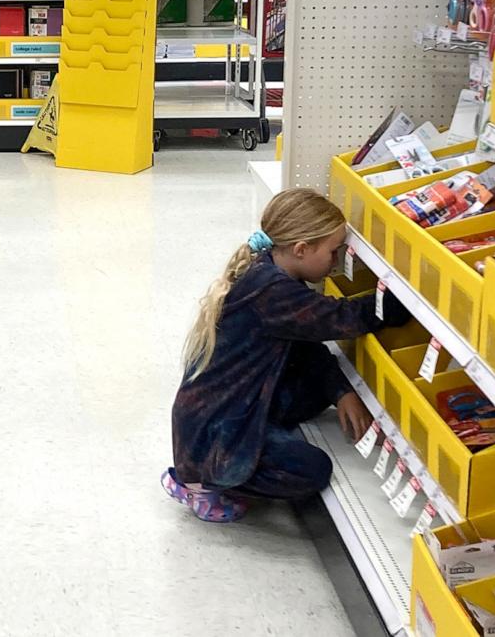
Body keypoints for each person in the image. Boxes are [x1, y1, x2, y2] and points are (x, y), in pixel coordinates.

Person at [164, 188, 409, 522]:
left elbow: (305, 343)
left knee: (313, 389)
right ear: (301, 249)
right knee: (313, 470)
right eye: (333, 252)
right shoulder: (273, 292)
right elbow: (344, 318)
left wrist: (342, 392)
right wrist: (406, 299)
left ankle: (219, 461)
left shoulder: (266, 271)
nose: (336, 263)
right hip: (214, 434)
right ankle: (202, 482)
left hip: (222, 409)